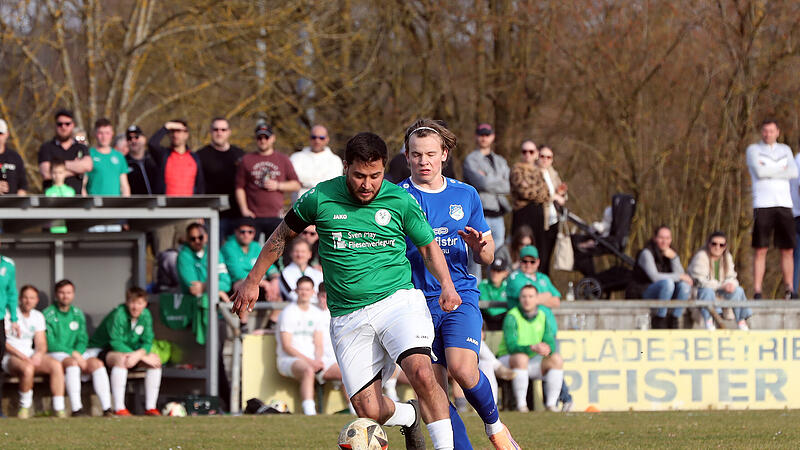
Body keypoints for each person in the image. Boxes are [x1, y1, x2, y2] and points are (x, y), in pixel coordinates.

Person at [232, 132, 461, 450]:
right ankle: (409, 416)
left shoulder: (400, 200)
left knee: (422, 372)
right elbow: (281, 236)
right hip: (347, 315)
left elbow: (428, 246)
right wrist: (252, 280)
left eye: (375, 176)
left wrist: (447, 285)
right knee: (369, 411)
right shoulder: (319, 197)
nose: (367, 184)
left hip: (397, 302)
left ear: (384, 169)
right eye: (359, 176)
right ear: (345, 167)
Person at [399, 118, 519, 450]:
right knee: (433, 393)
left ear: (444, 155)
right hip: (414, 304)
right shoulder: (395, 197)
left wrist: (480, 246)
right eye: (416, 154)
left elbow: (488, 255)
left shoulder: (465, 194)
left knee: (463, 370)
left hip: (459, 295)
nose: (423, 161)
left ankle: (495, 427)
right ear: (407, 157)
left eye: (430, 154)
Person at [88, 286, 162, 416]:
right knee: (122, 360)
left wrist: (139, 354)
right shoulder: (118, 314)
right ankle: (119, 408)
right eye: (132, 302)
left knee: (155, 361)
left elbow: (147, 341)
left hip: (131, 353)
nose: (135, 307)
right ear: (127, 302)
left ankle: (151, 407)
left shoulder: (146, 315)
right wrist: (140, 356)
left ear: (145, 304)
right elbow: (115, 342)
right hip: (103, 350)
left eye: (139, 303)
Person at [43, 279, 113, 416]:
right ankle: (76, 409)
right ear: (56, 294)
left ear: (73, 294)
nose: (65, 296)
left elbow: (83, 339)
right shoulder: (48, 314)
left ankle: (107, 408)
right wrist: (73, 354)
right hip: (56, 353)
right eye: (62, 293)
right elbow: (50, 343)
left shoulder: (77, 313)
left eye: (68, 293)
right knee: (73, 363)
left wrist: (78, 353)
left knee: (97, 364)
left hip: (78, 353)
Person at [276, 276, 343, 415]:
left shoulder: (316, 313)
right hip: (290, 360)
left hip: (314, 361)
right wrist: (312, 362)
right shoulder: (288, 313)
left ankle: (356, 412)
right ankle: (310, 413)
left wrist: (318, 360)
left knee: (345, 372)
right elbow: (287, 346)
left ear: (313, 292)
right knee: (307, 370)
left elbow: (318, 343)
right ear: (296, 291)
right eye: (301, 289)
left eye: (307, 289)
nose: (304, 292)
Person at [746, 118, 798, 299]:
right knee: (761, 249)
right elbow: (759, 173)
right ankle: (757, 291)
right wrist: (781, 170)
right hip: (763, 204)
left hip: (784, 205)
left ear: (778, 132)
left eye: (771, 131)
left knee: (788, 249)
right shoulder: (753, 150)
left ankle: (789, 289)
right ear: (761, 132)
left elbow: (793, 172)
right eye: (765, 131)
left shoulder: (785, 150)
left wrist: (770, 169)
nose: (768, 134)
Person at [496, 284, 564, 412]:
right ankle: (522, 406)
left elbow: (550, 341)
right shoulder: (512, 316)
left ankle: (551, 405)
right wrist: (532, 348)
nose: (527, 300)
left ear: (537, 299)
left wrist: (547, 349)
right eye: (524, 296)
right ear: (520, 299)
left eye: (530, 296)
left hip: (532, 360)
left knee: (556, 359)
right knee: (521, 358)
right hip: (507, 361)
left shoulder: (542, 315)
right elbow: (511, 346)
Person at [3, 285, 66, 418]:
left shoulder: (38, 316)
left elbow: (41, 342)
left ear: (36, 300)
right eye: (25, 297)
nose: (28, 301)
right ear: (20, 299)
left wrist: (39, 354)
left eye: (32, 298)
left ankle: (59, 408)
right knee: (28, 368)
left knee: (56, 365)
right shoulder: (8, 314)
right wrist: (21, 356)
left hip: (29, 354)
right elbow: (3, 342)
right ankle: (24, 407)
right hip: (11, 357)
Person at [235, 123, 301, 241]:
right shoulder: (246, 159)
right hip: (253, 216)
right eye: (259, 137)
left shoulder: (283, 159)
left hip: (276, 216)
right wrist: (244, 209)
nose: (263, 140)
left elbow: (296, 185)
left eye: (266, 137)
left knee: (275, 250)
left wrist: (278, 185)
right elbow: (239, 187)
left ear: (273, 138)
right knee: (253, 250)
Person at [148, 119, 205, 253]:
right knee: (164, 254)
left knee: (187, 254)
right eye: (172, 131)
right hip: (164, 212)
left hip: (188, 213)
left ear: (186, 134)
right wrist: (166, 127)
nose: (175, 134)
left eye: (179, 131)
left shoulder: (194, 158)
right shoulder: (164, 155)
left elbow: (200, 186)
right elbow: (152, 143)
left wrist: (201, 212)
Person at [462, 123, 511, 265]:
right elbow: (482, 183)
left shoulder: (500, 160)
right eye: (481, 134)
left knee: (497, 257)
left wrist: (488, 179)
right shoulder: (471, 160)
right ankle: (474, 280)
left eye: (487, 134)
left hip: (498, 215)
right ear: (476, 136)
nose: (484, 138)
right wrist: (498, 180)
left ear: (493, 136)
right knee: (475, 256)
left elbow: (508, 185)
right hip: (478, 214)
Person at [627, 225, 692, 329]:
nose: (664, 241)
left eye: (667, 238)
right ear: (655, 238)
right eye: (661, 238)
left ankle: (675, 318)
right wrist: (679, 276)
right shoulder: (646, 253)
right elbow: (655, 277)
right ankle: (660, 318)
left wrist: (674, 258)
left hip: (666, 291)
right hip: (644, 290)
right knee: (668, 283)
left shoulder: (671, 253)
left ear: (671, 239)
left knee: (685, 286)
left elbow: (682, 276)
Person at [177, 223, 232, 342]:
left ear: (206, 237)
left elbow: (226, 283)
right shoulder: (184, 256)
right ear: (187, 239)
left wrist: (205, 286)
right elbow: (193, 289)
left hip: (218, 311)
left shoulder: (215, 252)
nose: (197, 241)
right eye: (193, 239)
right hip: (195, 308)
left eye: (200, 237)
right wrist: (218, 291)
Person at [688, 231, 752, 330]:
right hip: (702, 292)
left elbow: (731, 276)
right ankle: (709, 322)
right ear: (709, 244)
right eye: (714, 244)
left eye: (721, 245)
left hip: (721, 291)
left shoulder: (727, 257)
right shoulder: (700, 256)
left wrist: (730, 284)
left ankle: (741, 321)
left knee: (738, 290)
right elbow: (701, 281)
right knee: (707, 291)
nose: (717, 247)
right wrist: (722, 286)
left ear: (725, 247)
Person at [197, 118, 245, 240]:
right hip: (211, 212)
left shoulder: (240, 155)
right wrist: (199, 212)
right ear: (210, 132)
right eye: (216, 129)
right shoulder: (200, 155)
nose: (219, 133)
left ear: (229, 132)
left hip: (237, 214)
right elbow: (196, 185)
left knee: (234, 250)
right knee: (213, 249)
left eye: (223, 130)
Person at [531, 145, 567, 276]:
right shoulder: (533, 173)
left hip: (554, 220)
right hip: (540, 220)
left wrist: (561, 194)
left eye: (549, 157)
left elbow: (562, 194)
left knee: (548, 258)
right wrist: (554, 197)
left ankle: (545, 281)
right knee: (540, 255)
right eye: (542, 156)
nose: (545, 160)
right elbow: (536, 195)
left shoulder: (553, 173)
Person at [38, 109, 92, 193]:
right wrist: (76, 170)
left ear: (73, 125)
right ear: (55, 126)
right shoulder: (46, 147)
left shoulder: (81, 147)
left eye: (67, 124)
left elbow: (88, 166)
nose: (63, 127)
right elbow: (46, 173)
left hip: (76, 199)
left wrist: (56, 167)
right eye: (60, 124)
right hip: (52, 197)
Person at [289, 124, 344, 201]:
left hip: (324, 203)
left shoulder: (335, 160)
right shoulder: (296, 157)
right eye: (313, 137)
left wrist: (304, 182)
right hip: (299, 203)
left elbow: (332, 184)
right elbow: (292, 180)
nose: (317, 141)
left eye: (321, 138)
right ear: (309, 138)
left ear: (327, 139)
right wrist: (319, 181)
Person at [510, 140, 548, 240]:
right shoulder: (516, 169)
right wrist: (538, 190)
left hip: (538, 214)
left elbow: (546, 193)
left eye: (531, 151)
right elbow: (524, 192)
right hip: (522, 213)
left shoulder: (539, 171)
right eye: (524, 151)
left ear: (536, 153)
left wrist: (529, 186)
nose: (527, 154)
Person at [506, 245, 561, 312]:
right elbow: (528, 301)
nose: (528, 265)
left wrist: (537, 299)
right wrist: (548, 295)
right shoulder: (514, 278)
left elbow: (557, 302)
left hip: (546, 317)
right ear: (520, 262)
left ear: (538, 262)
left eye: (532, 262)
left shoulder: (543, 277)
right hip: (524, 317)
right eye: (525, 261)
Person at [83, 118, 131, 196]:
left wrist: (126, 202)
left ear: (112, 134)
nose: (104, 137)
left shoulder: (119, 156)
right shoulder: (88, 154)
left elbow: (124, 186)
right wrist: (86, 201)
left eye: (107, 133)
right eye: (100, 133)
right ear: (95, 134)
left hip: (114, 202)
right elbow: (83, 185)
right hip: (94, 202)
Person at [280, 238, 324, 303]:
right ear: (291, 253)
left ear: (310, 254)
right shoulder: (285, 273)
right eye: (296, 251)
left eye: (303, 252)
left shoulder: (318, 274)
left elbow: (323, 295)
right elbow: (293, 296)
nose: (299, 255)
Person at [479, 254, 511, 329]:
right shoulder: (483, 285)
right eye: (493, 270)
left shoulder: (509, 287)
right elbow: (490, 310)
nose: (495, 274)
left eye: (499, 271)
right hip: (486, 321)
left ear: (505, 273)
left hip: (503, 321)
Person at [125, 125, 159, 195]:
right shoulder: (124, 162)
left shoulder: (154, 158)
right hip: (135, 201)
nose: (133, 141)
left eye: (136, 137)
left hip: (156, 200)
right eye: (129, 138)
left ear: (144, 139)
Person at [45, 159, 76, 233]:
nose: (57, 176)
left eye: (60, 172)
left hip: (69, 229)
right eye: (54, 173)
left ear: (65, 173)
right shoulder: (48, 192)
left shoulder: (71, 191)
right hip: (53, 230)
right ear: (51, 173)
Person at [0, 118, 28, 195]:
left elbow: (23, 186)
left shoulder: (15, 157)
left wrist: (18, 199)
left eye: (0, 133)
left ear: (7, 134)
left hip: (13, 202)